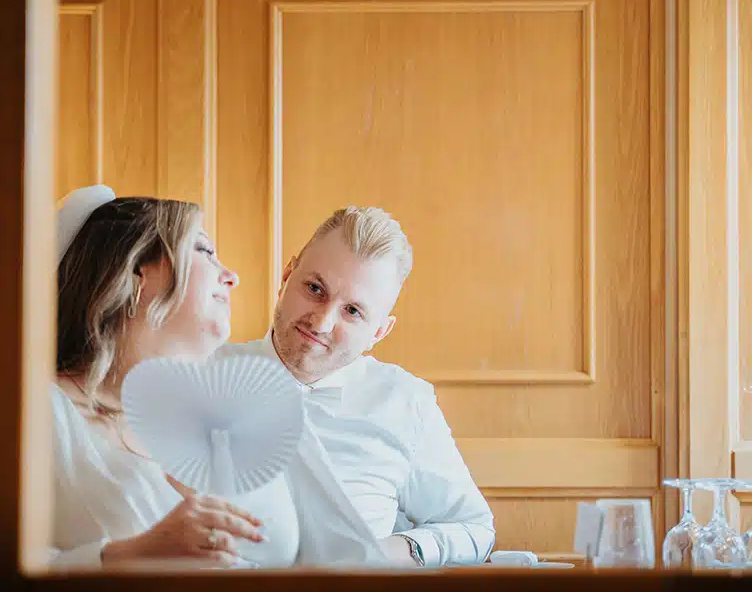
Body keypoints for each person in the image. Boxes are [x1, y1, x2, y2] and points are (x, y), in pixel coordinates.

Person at [52, 186, 389, 569]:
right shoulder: (41, 414)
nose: (231, 276)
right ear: (136, 273)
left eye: (354, 311)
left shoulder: (225, 417)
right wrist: (128, 556)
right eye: (204, 252)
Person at [221, 206, 495, 568]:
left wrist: (390, 553)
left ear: (380, 331)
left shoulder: (406, 401)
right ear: (287, 277)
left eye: (352, 311)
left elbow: (474, 528)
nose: (321, 322)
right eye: (315, 289)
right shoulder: (198, 373)